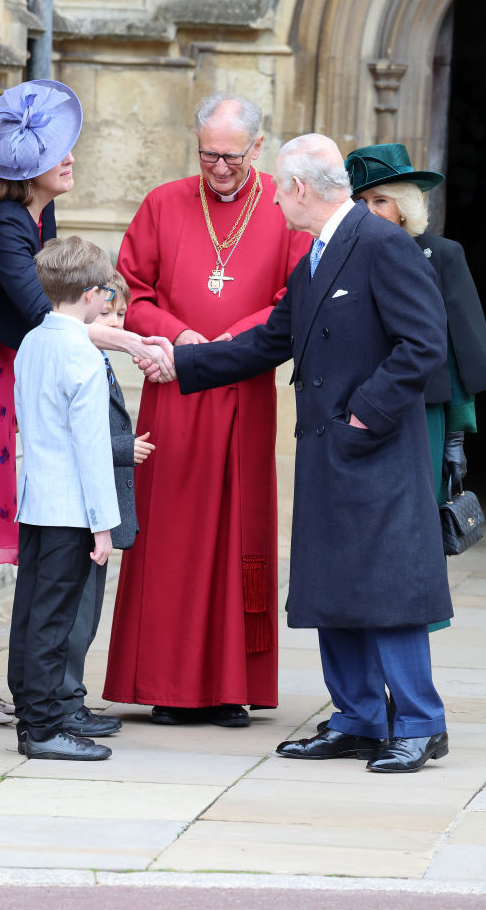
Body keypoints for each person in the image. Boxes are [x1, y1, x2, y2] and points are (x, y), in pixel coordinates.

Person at [169, 133, 454, 773]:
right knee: (335, 585)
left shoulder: (382, 243)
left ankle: (419, 723)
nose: (272, 199)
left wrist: (364, 414)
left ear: (298, 188)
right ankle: (358, 719)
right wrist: (181, 362)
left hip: (372, 446)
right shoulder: (319, 253)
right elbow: (271, 340)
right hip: (329, 450)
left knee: (389, 588)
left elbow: (424, 344)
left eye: (277, 188)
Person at [0, 80, 173, 724]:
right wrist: (136, 341)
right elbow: (48, 317)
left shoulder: (39, 215)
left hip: (10, 375)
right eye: (58, 149)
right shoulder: (6, 225)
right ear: (26, 163)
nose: (69, 157)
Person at [102, 94, 311, 726]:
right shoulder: (164, 202)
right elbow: (131, 291)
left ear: (257, 147)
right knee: (171, 537)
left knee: (238, 535)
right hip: (173, 391)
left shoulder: (285, 205)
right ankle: (168, 683)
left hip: (244, 391)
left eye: (230, 156)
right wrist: (179, 334)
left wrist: (234, 340)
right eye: (207, 154)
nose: (218, 167)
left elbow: (293, 297)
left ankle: (230, 686)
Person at [9, 236, 120, 760]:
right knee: (54, 620)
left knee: (30, 613)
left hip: (34, 501)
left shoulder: (33, 342)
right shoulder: (83, 353)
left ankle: (30, 720)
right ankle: (47, 728)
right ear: (91, 293)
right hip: (71, 508)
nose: (110, 303)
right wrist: (103, 523)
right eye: (108, 294)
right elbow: (92, 447)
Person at [344, 143, 486, 519]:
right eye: (359, 200)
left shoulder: (441, 255)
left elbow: (458, 355)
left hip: (423, 415)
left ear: (404, 206)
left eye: (380, 200)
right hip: (358, 409)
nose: (367, 211)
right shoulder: (341, 259)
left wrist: (456, 436)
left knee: (416, 521)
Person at [58, 271, 155, 738]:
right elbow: (76, 434)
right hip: (79, 511)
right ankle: (63, 700)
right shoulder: (78, 357)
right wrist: (124, 449)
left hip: (95, 506)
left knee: (88, 611)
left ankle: (69, 696)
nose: (115, 321)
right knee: (74, 614)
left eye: (122, 314)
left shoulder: (96, 355)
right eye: (109, 311)